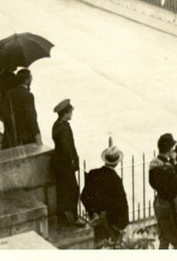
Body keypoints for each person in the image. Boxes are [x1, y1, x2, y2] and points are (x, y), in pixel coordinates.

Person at [81, 140, 129, 245]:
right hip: (109, 223)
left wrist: (93, 212)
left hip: (95, 220)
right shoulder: (116, 180)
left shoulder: (93, 173)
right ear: (117, 162)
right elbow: (121, 204)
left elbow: (84, 196)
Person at [51, 99, 86, 228]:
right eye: (70, 112)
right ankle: (74, 216)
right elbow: (66, 146)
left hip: (59, 163)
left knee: (62, 190)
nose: (72, 114)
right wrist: (71, 160)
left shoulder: (58, 124)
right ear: (65, 113)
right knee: (73, 190)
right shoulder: (63, 128)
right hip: (65, 165)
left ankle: (63, 214)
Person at [149, 133, 177, 249]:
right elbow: (176, 185)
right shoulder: (167, 167)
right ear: (169, 149)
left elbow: (153, 183)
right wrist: (174, 161)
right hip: (170, 204)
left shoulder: (153, 164)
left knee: (163, 237)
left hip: (159, 201)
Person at [5, 68, 40, 147]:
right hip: (25, 135)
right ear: (26, 80)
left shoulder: (9, 93)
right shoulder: (28, 95)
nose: (31, 80)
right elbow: (31, 117)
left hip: (12, 133)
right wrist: (37, 134)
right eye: (30, 78)